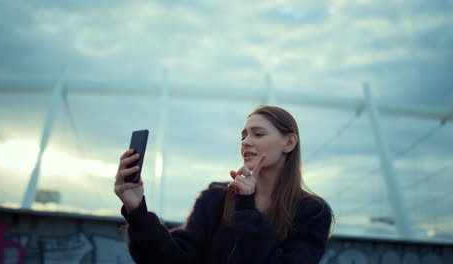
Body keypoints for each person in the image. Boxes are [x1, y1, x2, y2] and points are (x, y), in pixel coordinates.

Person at [114, 105, 333, 264]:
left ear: (289, 142)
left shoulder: (312, 212)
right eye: (243, 136)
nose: (246, 141)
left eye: (258, 134)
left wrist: (246, 206)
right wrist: (137, 212)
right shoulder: (215, 198)